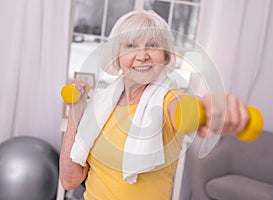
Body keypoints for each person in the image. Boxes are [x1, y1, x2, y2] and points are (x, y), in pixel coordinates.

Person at [60, 10, 249, 200]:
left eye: (152, 45)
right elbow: (69, 180)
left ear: (166, 56)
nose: (142, 56)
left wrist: (207, 111)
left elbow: (183, 110)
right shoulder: (101, 103)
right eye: (131, 46)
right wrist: (76, 109)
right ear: (117, 56)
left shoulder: (169, 98)